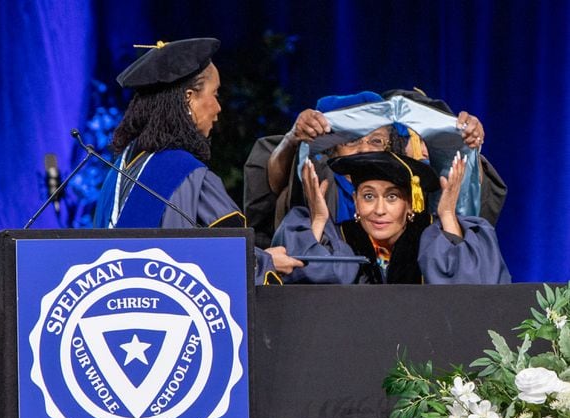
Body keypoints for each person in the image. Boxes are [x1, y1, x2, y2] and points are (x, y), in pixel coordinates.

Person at [93, 38, 303, 285]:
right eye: (215, 94)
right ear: (188, 98)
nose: (218, 107)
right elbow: (229, 255)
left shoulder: (120, 170)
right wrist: (265, 261)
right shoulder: (187, 174)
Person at [243, 90, 507, 248]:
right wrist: (294, 138)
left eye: (376, 141)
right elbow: (278, 181)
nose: (365, 149)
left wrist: (467, 145)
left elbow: (463, 194)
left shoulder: (408, 187)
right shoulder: (320, 185)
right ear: (331, 148)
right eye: (351, 141)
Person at [271, 150, 511, 284]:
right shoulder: (340, 240)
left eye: (392, 197)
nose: (379, 209)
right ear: (355, 201)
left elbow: (472, 290)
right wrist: (319, 219)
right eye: (368, 197)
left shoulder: (430, 238)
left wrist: (448, 215)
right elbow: (301, 287)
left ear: (410, 204)